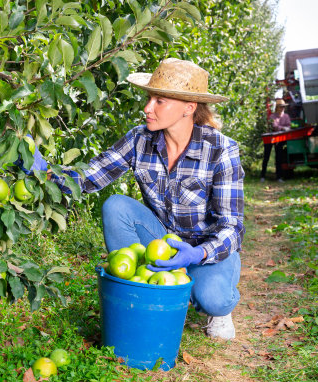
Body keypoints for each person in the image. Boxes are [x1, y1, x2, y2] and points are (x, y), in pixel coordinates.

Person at [21, 58, 244, 340]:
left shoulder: (221, 150)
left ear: (189, 108)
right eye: (149, 98)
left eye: (160, 100)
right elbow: (90, 177)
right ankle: (146, 286)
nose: (147, 108)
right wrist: (44, 172)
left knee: (212, 297)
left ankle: (217, 306)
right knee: (116, 206)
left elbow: (232, 227)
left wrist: (197, 254)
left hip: (205, 250)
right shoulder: (140, 139)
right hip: (164, 240)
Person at [260, 98, 291, 182]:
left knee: (279, 158)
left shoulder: (286, 116)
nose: (282, 108)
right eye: (280, 107)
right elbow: (274, 126)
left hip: (280, 139)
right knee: (266, 157)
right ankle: (262, 176)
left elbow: (289, 126)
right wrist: (283, 128)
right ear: (277, 108)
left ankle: (279, 177)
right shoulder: (272, 116)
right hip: (270, 138)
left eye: (283, 107)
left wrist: (284, 128)